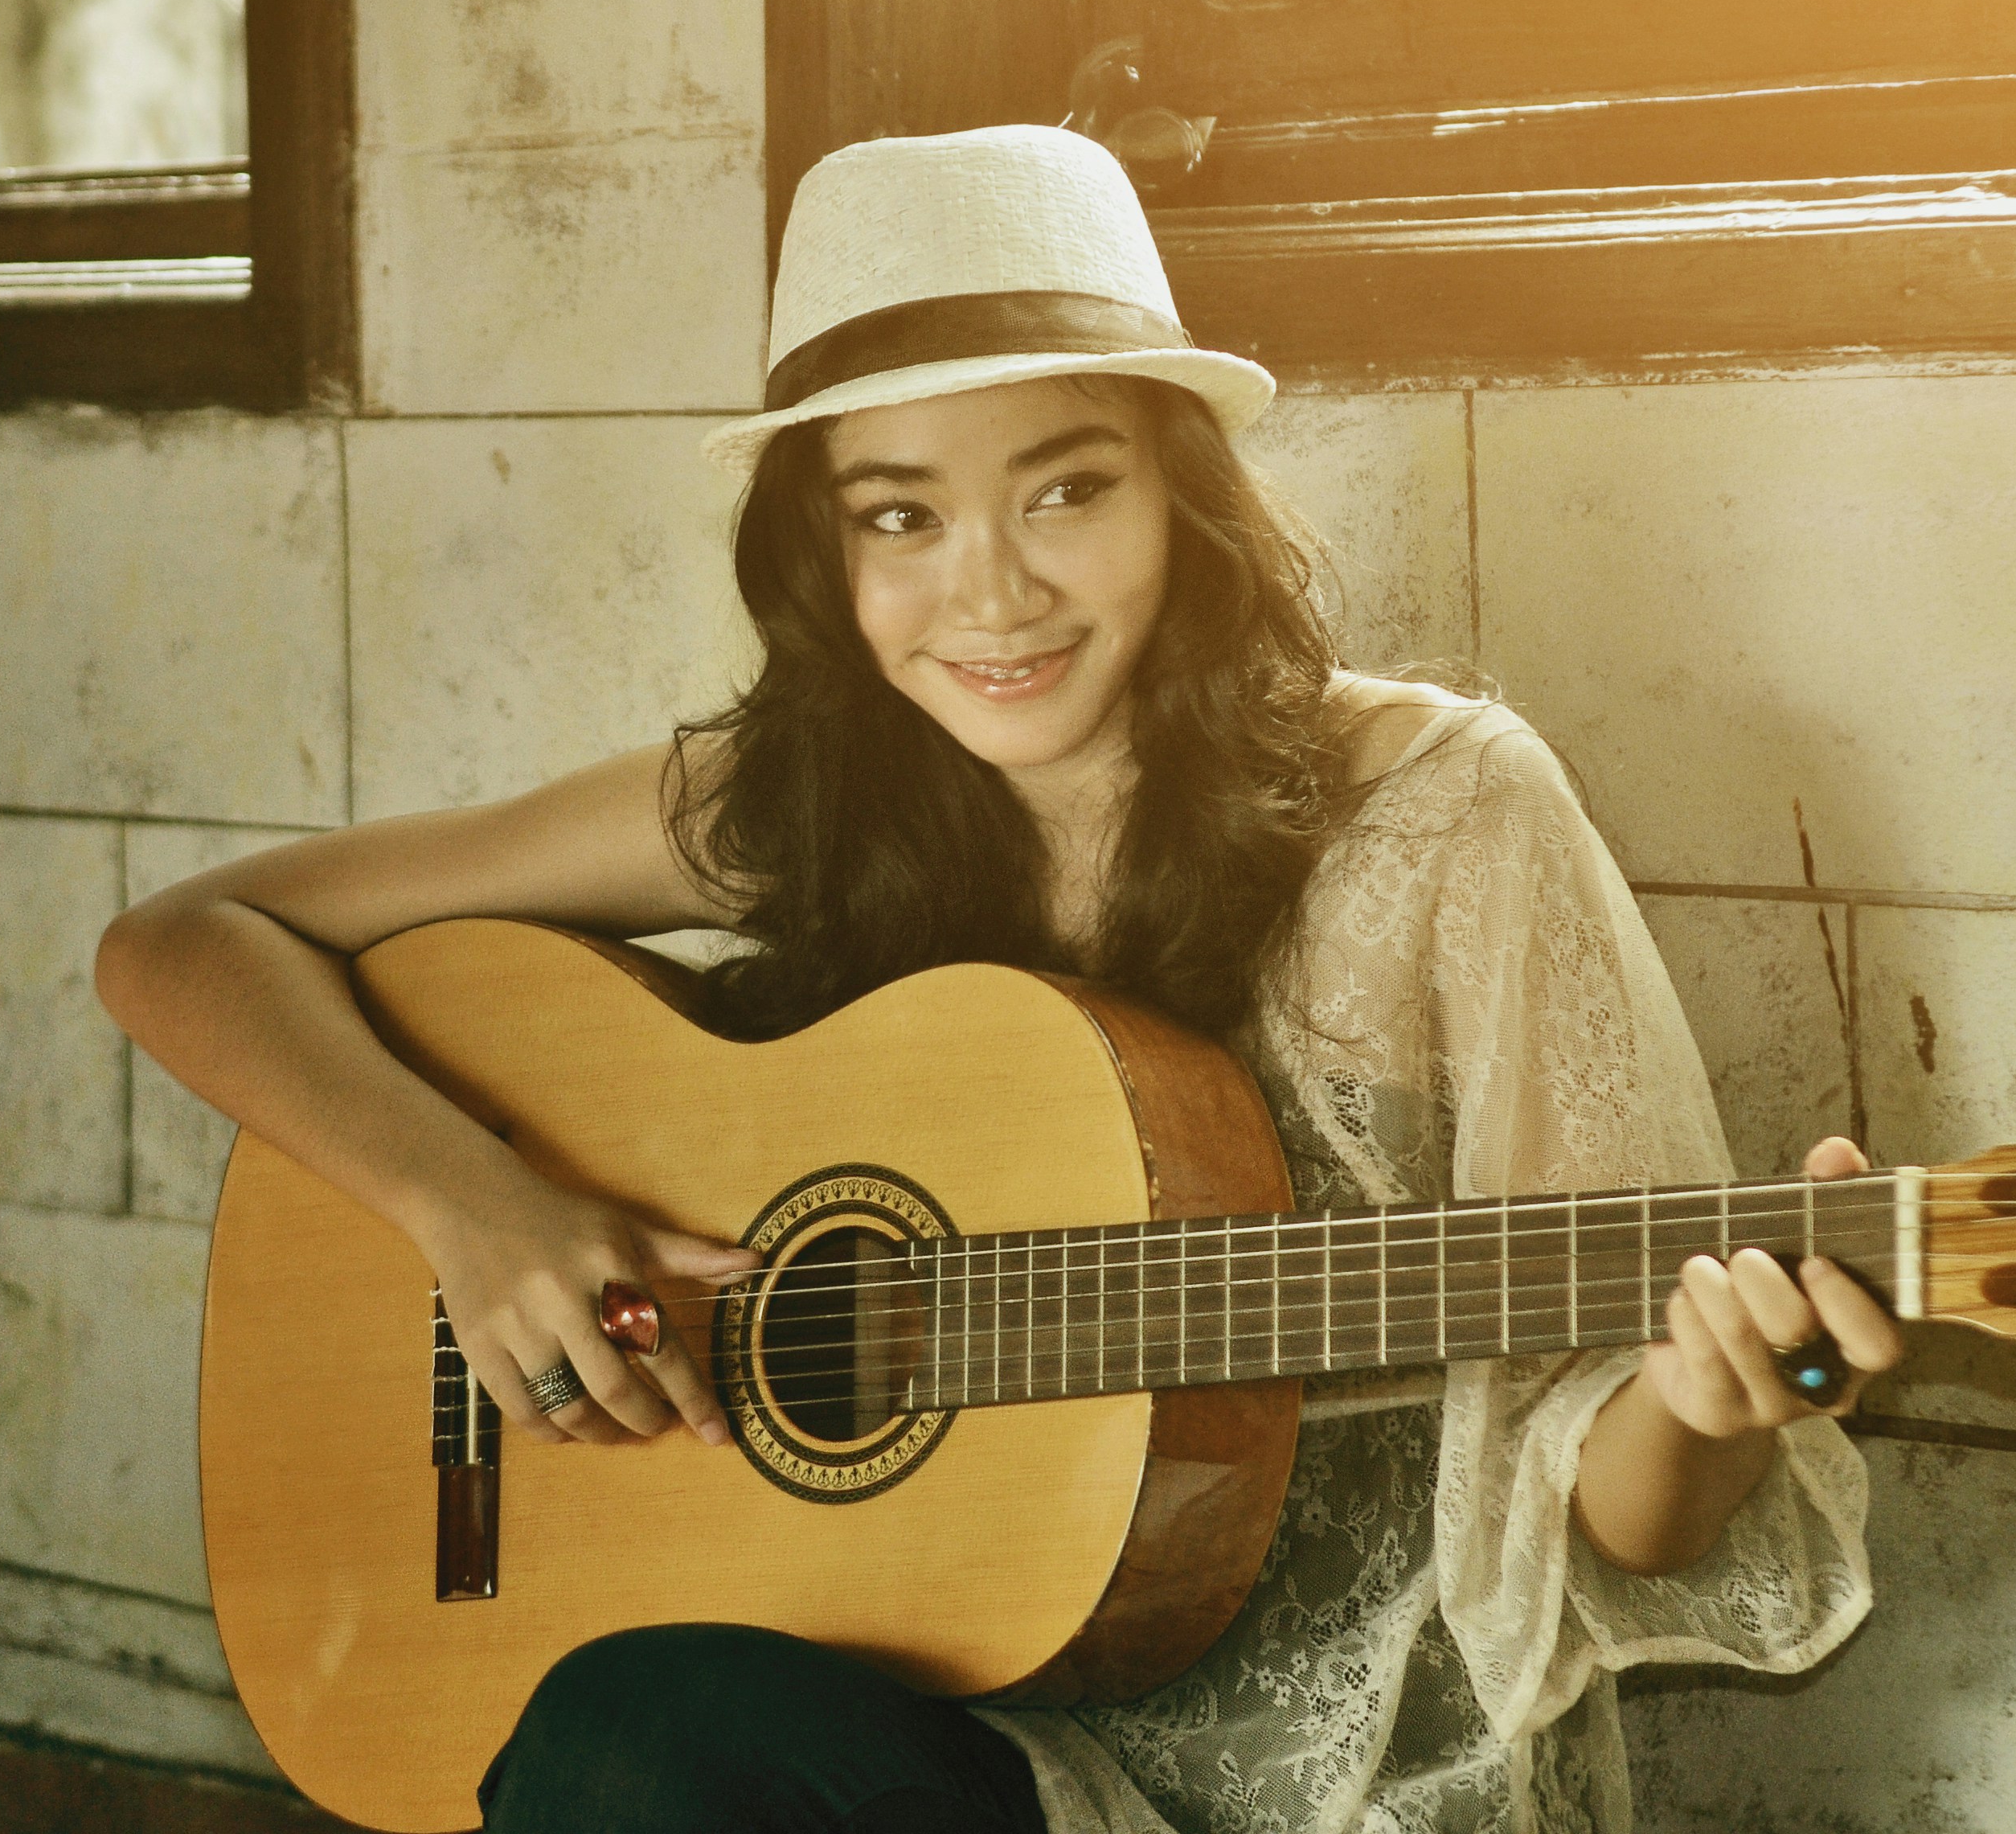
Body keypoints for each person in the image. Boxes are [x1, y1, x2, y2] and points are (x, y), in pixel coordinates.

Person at [96, 124, 1895, 1834]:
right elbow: (179, 946)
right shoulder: (790, 802)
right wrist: (475, 1207)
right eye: (899, 516)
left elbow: (1618, 1517)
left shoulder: (1434, 813)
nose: (993, 592)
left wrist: (1728, 1397)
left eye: (1065, 489)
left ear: (1176, 495)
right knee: (629, 1737)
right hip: (912, 1711)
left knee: (637, 1759)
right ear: (823, 549)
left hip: (1295, 1789)